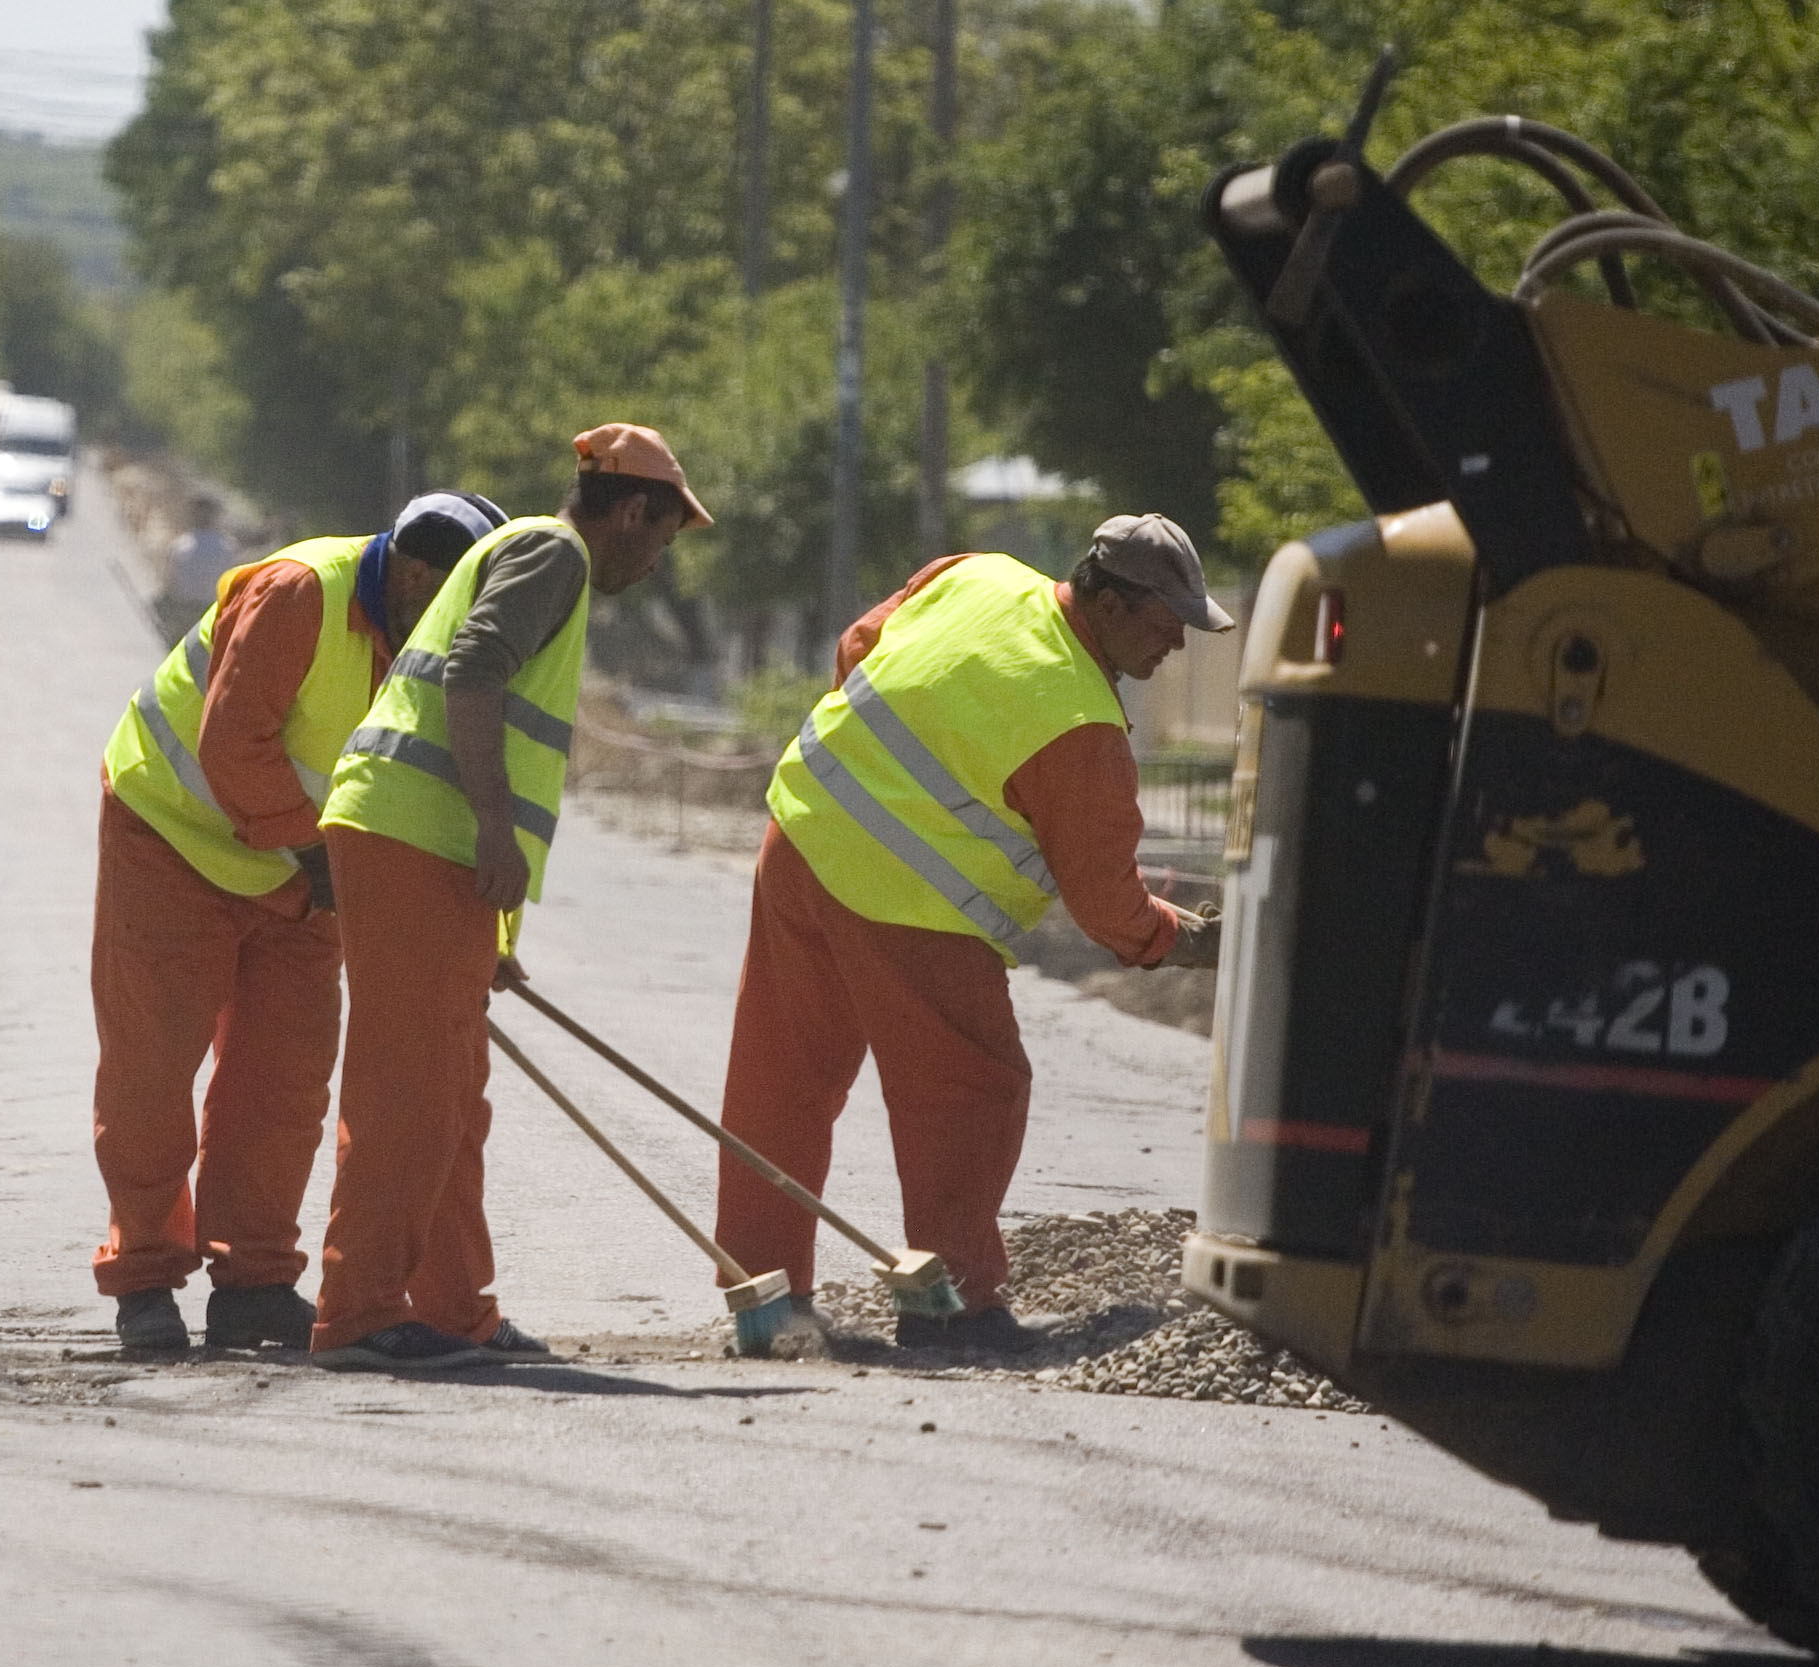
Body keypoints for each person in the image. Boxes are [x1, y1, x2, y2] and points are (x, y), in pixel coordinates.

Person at [710, 514, 1232, 1353]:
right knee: (970, 1092)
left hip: (801, 837)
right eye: (1166, 619)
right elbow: (1107, 907)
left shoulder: (977, 575)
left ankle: (765, 1302)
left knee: (783, 1080)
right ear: (1107, 599)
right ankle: (951, 1307)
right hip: (912, 906)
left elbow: (858, 647)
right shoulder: (1082, 725)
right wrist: (1190, 940)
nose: (1177, 641)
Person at [305, 426, 710, 1371]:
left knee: (449, 1093)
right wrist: (492, 824)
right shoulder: (551, 552)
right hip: (418, 835)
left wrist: (488, 927)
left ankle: (453, 1311)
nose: (658, 561)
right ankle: (359, 1312)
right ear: (633, 509)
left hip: (423, 848)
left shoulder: (538, 553)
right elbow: (475, 669)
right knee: (408, 1088)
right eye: (664, 536)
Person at [90, 491, 510, 1352]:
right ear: (420, 576)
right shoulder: (298, 592)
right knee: (153, 1071)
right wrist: (323, 861)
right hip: (173, 841)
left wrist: (482, 940)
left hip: (300, 870)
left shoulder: (437, 643)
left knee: (281, 1085)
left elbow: (453, 805)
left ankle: (253, 1281)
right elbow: (232, 744)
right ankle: (145, 1280)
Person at [157, 496, 242, 635]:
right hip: (213, 612)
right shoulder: (229, 548)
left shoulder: (180, 546)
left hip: (184, 611)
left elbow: (170, 583)